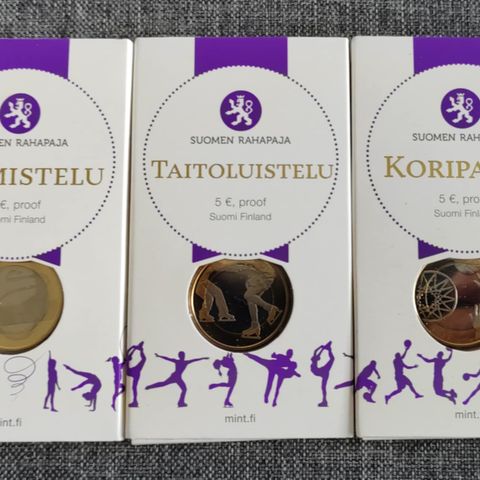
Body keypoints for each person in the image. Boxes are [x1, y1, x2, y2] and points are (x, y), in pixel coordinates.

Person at [384, 340, 423, 404]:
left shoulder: (399, 361)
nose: (400, 356)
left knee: (399, 390)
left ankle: (388, 396)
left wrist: (406, 350)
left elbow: (406, 365)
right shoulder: (396, 361)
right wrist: (406, 350)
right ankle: (416, 394)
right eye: (399, 355)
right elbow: (404, 360)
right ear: (397, 357)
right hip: (400, 376)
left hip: (398, 376)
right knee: (409, 384)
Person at [310, 341, 335, 407]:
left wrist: (322, 348)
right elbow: (316, 352)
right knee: (323, 387)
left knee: (323, 387)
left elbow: (317, 352)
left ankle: (324, 401)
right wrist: (322, 348)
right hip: (321, 371)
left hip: (322, 371)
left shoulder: (314, 361)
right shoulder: (314, 361)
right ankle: (324, 401)